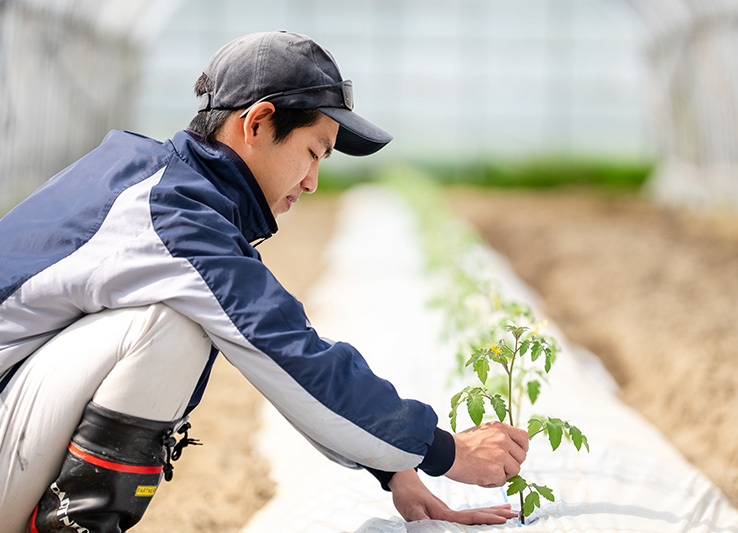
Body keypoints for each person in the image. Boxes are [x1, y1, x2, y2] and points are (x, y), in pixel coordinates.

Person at [0, 31, 529, 532]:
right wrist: (444, 451)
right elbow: (286, 351)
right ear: (257, 123)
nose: (313, 181)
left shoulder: (156, 185)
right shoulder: (171, 214)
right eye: (314, 151)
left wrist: (392, 467)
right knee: (169, 326)